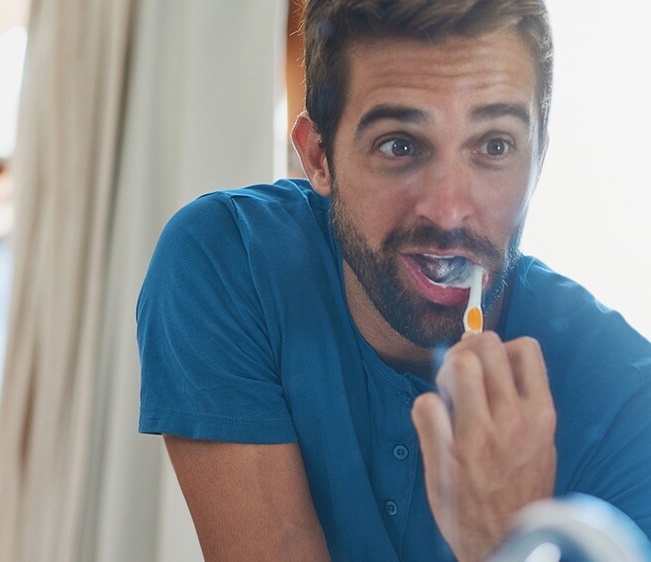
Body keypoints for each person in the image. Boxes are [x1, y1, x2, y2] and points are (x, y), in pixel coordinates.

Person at [136, 1, 651, 560]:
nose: (450, 210)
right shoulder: (228, 263)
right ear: (318, 157)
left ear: (539, 157)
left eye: (494, 146)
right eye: (399, 145)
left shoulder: (629, 404)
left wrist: (505, 542)